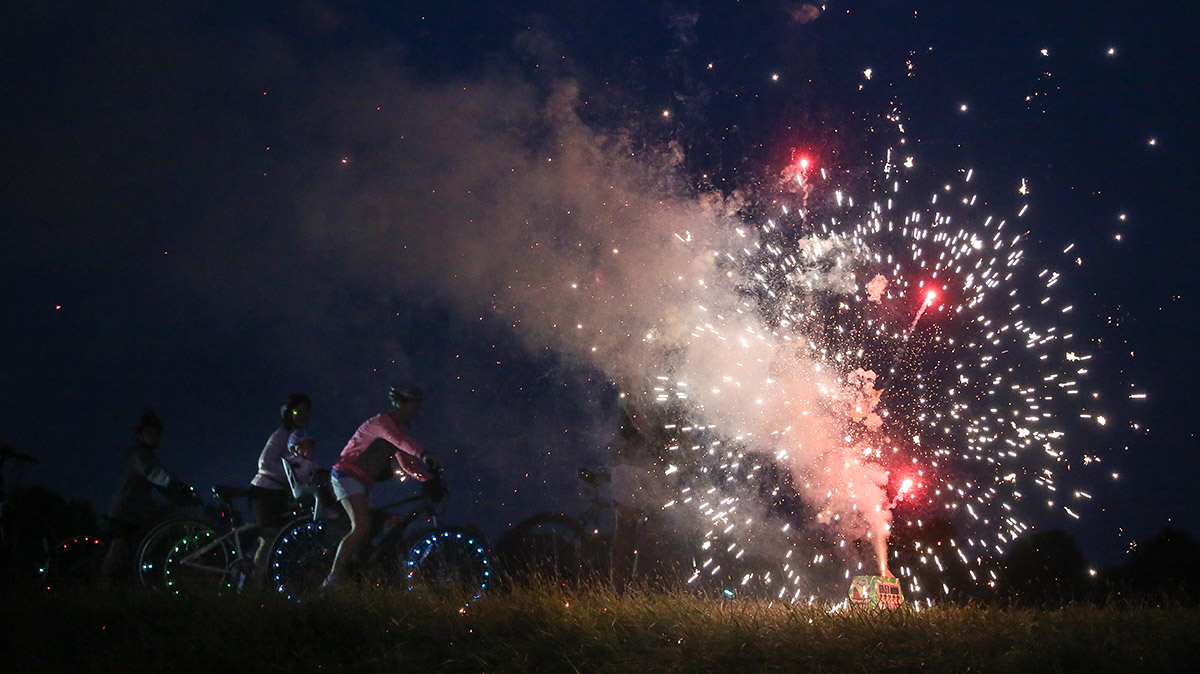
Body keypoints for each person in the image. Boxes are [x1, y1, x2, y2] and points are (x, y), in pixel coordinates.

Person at [321, 386, 446, 590]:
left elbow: (407, 464)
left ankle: (353, 574)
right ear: (402, 403)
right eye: (415, 406)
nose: (417, 411)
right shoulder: (381, 423)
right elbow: (401, 442)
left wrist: (428, 479)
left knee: (373, 530)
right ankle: (331, 581)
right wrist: (425, 455)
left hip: (362, 482)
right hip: (346, 474)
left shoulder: (396, 429)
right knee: (360, 526)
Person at [98, 410, 193, 587]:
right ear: (140, 435)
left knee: (132, 551)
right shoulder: (138, 455)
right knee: (118, 550)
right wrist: (177, 483)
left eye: (157, 434)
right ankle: (101, 587)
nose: (155, 438)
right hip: (124, 512)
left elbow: (161, 486)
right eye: (150, 434)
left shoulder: (148, 456)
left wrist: (183, 499)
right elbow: (156, 474)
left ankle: (124, 587)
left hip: (135, 514)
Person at [247, 393, 312, 577]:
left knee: (279, 538)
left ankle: (263, 582)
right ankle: (253, 588)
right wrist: (292, 474)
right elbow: (265, 463)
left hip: (279, 493)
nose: (304, 415)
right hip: (265, 491)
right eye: (299, 411)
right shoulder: (281, 435)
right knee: (268, 539)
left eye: (307, 412)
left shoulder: (299, 437)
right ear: (288, 413)